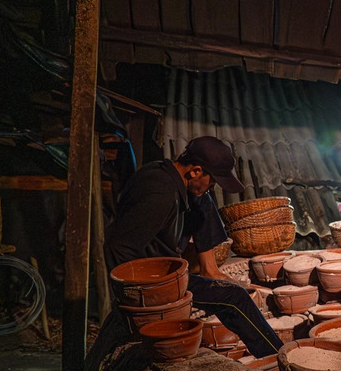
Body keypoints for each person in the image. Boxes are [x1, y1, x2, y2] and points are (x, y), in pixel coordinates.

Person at [104, 136, 282, 358]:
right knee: (235, 298)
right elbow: (116, 246)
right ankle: (277, 357)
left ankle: (209, 269)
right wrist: (144, 300)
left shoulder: (170, 175)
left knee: (201, 198)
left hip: (171, 270)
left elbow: (198, 199)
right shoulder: (160, 194)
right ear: (196, 171)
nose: (213, 187)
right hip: (158, 283)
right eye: (213, 181)